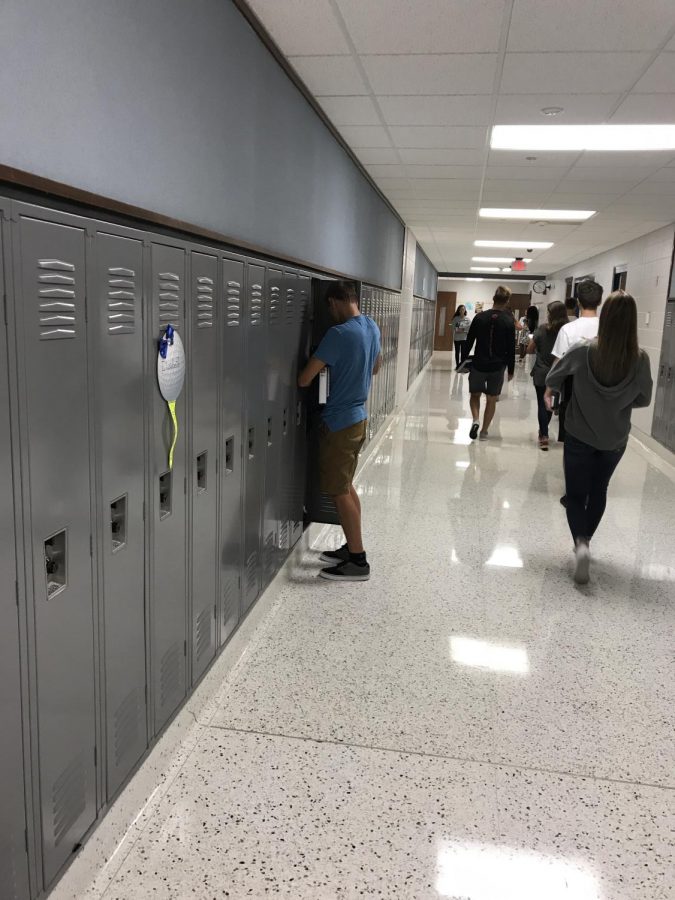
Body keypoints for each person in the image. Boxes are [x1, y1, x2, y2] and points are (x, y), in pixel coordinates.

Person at [545, 291, 652, 585]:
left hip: (579, 433)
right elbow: (644, 399)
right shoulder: (640, 359)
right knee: (599, 490)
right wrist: (619, 401)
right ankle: (587, 540)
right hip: (614, 439)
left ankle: (581, 544)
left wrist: (552, 393)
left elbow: (553, 377)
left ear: (604, 318)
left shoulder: (583, 350)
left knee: (576, 495)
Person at [298, 281, 381, 582]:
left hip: (339, 422)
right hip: (358, 416)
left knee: (338, 490)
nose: (329, 312)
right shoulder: (371, 326)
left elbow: (305, 379)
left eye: (328, 307)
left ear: (334, 301)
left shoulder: (338, 334)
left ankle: (358, 562)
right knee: (345, 485)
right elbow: (375, 367)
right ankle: (352, 548)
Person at [551, 279, 603, 443]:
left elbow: (558, 363)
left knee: (573, 438)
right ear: (600, 301)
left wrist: (550, 389)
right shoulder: (608, 328)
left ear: (578, 302)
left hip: (574, 387)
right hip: (603, 385)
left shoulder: (568, 329)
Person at [464, 285, 515, 441]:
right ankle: (484, 432)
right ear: (507, 301)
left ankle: (475, 420)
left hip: (479, 363)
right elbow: (511, 348)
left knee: (475, 395)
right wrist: (511, 369)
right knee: (492, 398)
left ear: (493, 298)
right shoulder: (508, 320)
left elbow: (469, 341)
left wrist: (464, 361)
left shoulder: (479, 318)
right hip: (497, 366)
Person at [527, 300, 568, 450]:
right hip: (559, 373)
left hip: (541, 372)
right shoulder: (568, 330)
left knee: (541, 403)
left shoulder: (541, 330)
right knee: (550, 402)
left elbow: (530, 350)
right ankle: (544, 431)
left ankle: (543, 435)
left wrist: (539, 348)